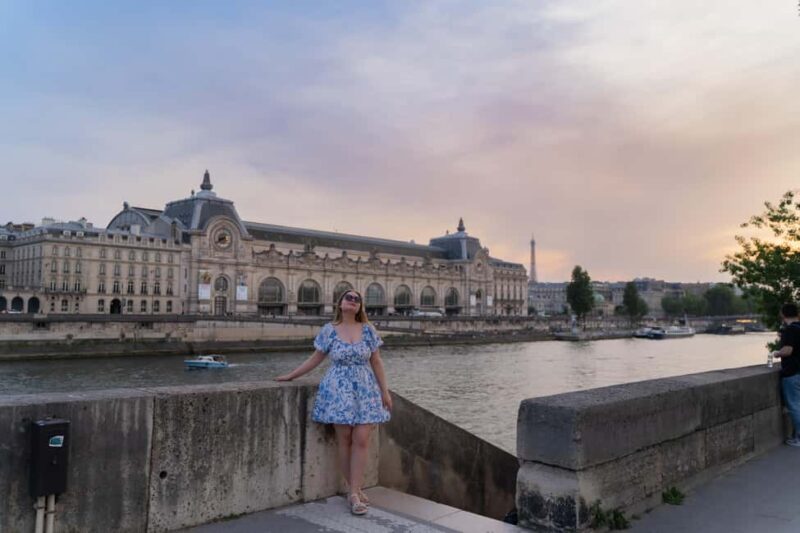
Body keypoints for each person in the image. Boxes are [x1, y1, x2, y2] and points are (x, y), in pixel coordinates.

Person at [275, 289, 392, 515]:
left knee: (361, 440)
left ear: (360, 306)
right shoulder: (329, 330)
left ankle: (354, 491)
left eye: (357, 299)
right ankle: (354, 492)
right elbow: (315, 359)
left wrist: (384, 392)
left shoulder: (368, 329)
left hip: (365, 390)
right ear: (340, 303)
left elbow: (377, 361)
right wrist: (291, 376)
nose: (353, 301)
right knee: (344, 440)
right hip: (338, 390)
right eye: (349, 297)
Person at [771, 303, 800, 447]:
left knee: (794, 405)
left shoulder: (789, 330)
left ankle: (799, 438)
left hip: (792, 372)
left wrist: (777, 353)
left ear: (783, 314)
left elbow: (788, 351)